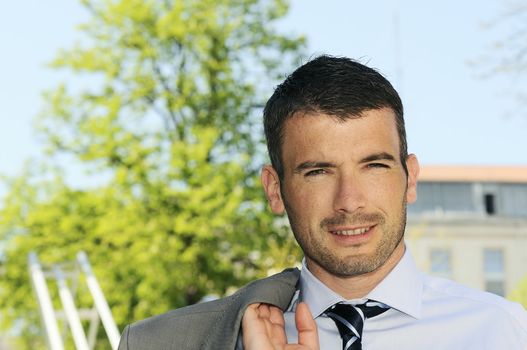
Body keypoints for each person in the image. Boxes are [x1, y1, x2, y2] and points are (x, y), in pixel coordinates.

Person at [118, 55, 527, 350]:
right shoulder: (192, 341)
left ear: (410, 178)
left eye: (374, 166)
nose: (349, 201)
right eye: (318, 172)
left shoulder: (506, 332)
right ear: (275, 189)